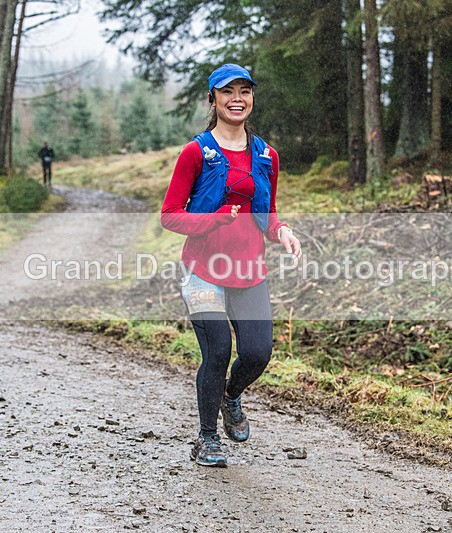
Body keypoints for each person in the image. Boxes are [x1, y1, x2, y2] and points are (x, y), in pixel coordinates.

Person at [161, 63, 302, 467]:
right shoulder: (196, 153)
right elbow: (170, 215)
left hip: (248, 271)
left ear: (252, 99)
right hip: (202, 271)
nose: (237, 98)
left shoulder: (266, 156)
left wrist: (283, 232)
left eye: (245, 91)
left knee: (257, 353)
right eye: (227, 91)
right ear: (213, 99)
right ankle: (206, 439)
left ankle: (230, 395)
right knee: (218, 350)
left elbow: (268, 212)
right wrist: (214, 220)